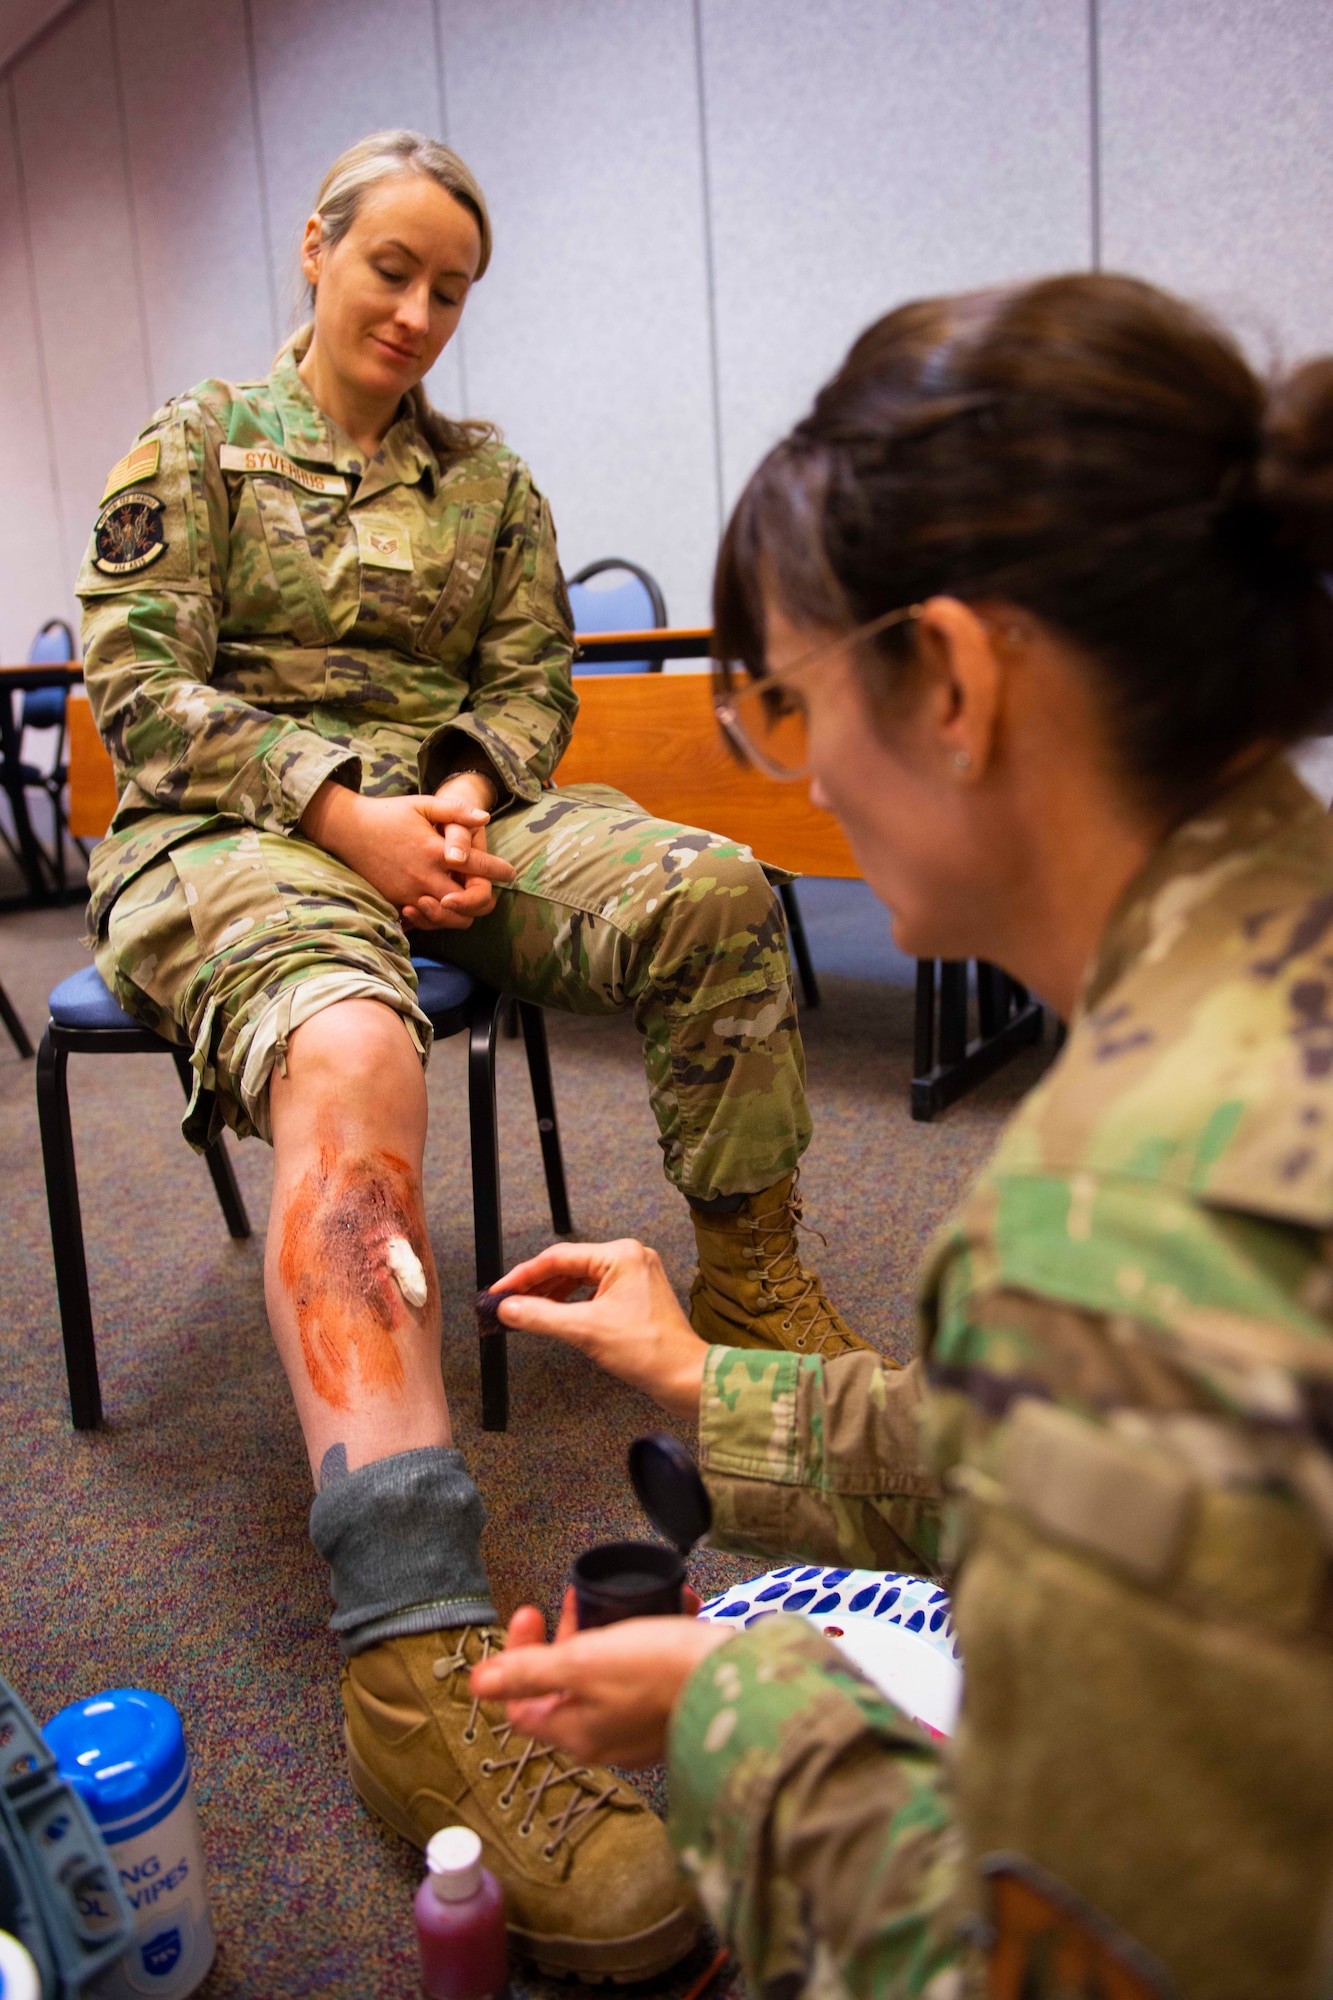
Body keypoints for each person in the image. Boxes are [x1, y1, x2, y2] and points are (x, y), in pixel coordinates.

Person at [474, 273, 1333, 1999]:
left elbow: (1031, 1974)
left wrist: (727, 1705)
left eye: (784, 704)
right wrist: (704, 1382)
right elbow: (1115, 1462)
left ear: (943, 675)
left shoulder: (1116, 1214)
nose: (798, 781)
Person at [77, 127, 864, 1981]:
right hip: (232, 833)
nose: (419, 314)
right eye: (391, 273)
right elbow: (135, 685)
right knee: (353, 1051)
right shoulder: (193, 445)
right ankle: (416, 1664)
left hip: (452, 821)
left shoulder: (487, 478)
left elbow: (528, 685)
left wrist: (452, 795)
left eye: (451, 290)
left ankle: (752, 1307)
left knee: (713, 889)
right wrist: (338, 808)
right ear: (317, 250)